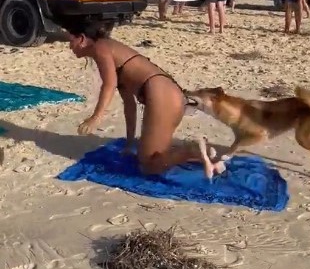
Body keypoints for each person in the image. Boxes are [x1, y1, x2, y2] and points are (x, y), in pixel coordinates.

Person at [63, 18, 212, 175]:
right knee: (151, 156)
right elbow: (129, 105)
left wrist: (96, 117)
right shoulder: (111, 52)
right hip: (167, 93)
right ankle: (199, 154)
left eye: (70, 41)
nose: (69, 47)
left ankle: (193, 151)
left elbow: (109, 84)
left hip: (163, 94)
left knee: (149, 166)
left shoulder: (100, 48)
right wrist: (129, 143)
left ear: (81, 39)